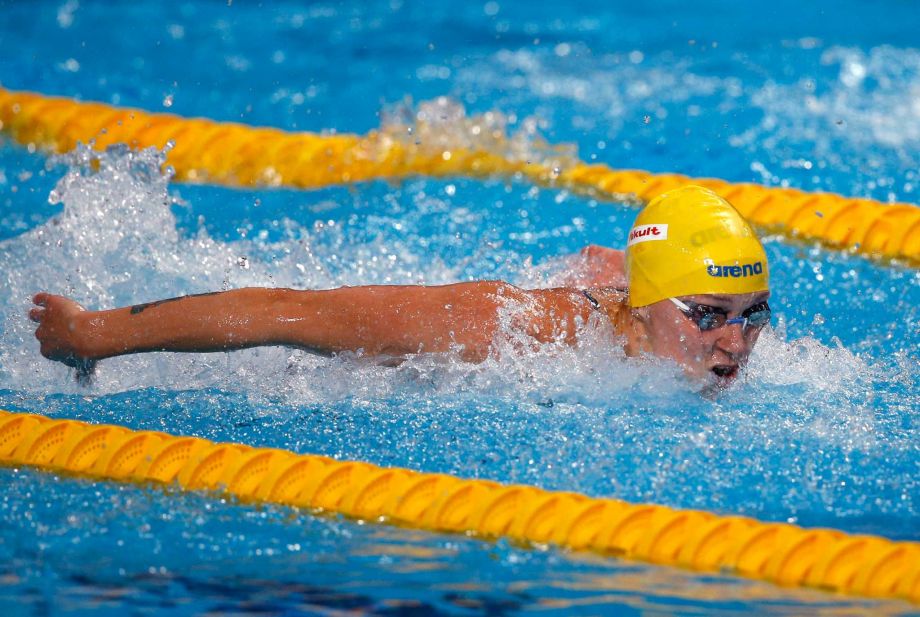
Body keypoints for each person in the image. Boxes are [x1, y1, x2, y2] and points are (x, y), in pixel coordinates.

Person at [30, 185, 771, 389]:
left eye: (754, 316)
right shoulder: (513, 332)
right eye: (709, 316)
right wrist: (91, 334)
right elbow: (286, 311)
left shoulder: (662, 321)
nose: (735, 344)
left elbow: (607, 260)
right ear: (646, 305)